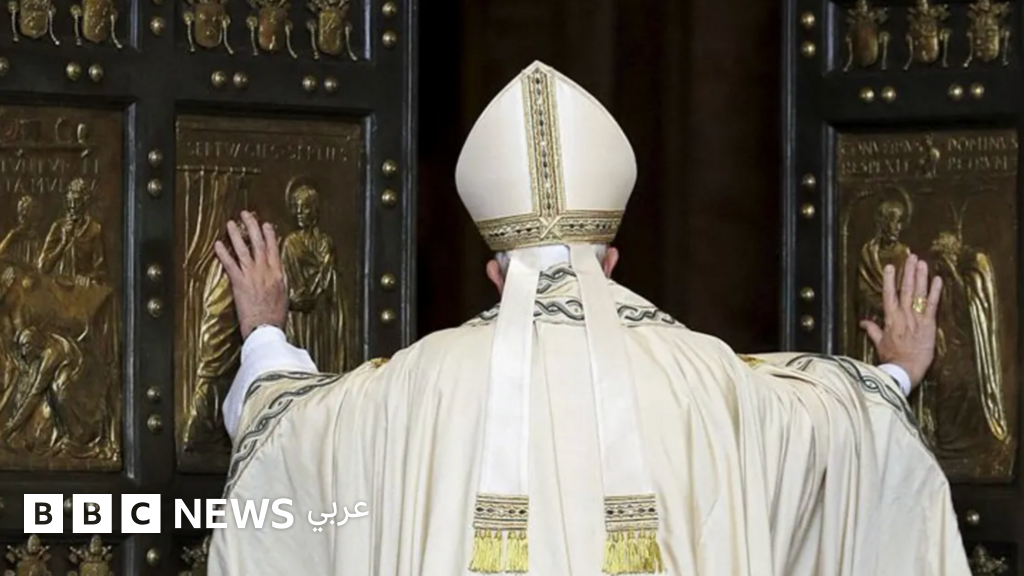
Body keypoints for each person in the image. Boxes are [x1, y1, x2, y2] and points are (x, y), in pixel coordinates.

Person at [207, 61, 970, 575]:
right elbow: (837, 432)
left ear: (495, 272)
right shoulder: (706, 376)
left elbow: (292, 434)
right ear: (612, 262)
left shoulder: (418, 382)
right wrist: (897, 370)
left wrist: (266, 330)